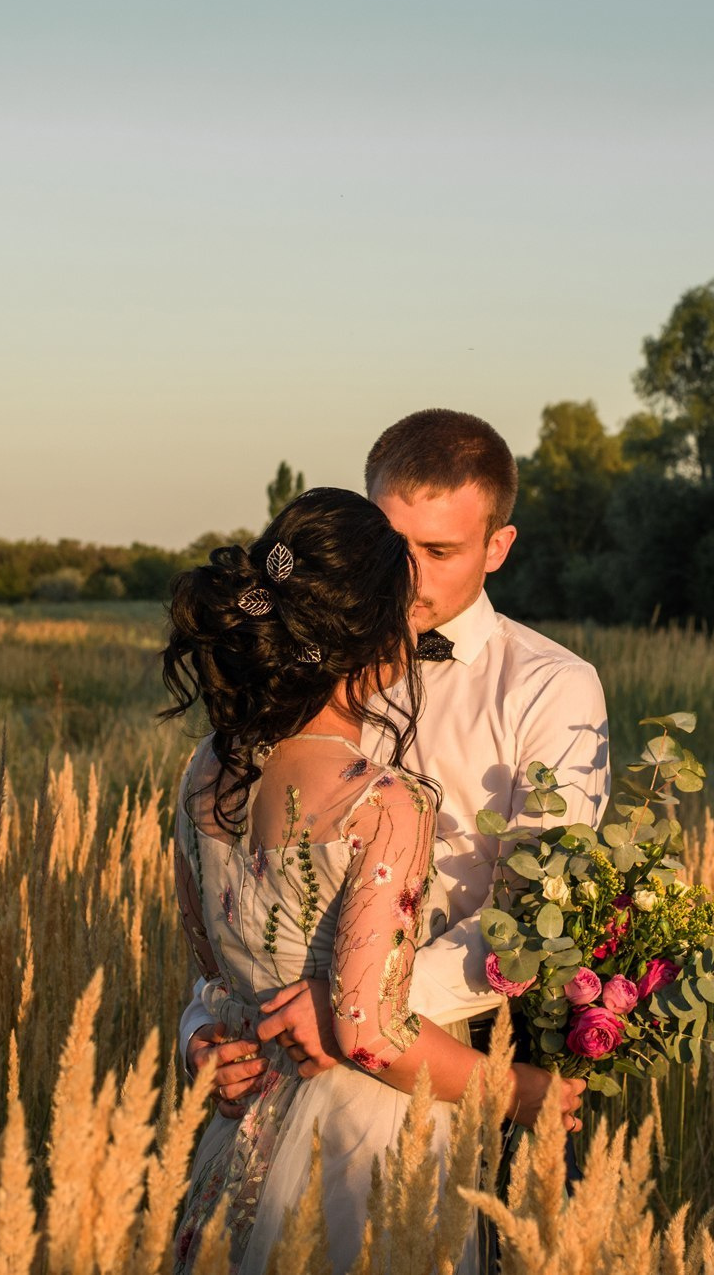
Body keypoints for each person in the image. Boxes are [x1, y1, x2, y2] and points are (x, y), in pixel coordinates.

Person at [173, 413, 610, 1258]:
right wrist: (205, 1032)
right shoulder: (289, 687)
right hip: (282, 1078)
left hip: (456, 1062)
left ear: (499, 546)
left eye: (440, 552)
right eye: (391, 544)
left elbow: (536, 918)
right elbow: (238, 903)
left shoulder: (553, 687)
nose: (407, 577)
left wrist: (352, 1008)